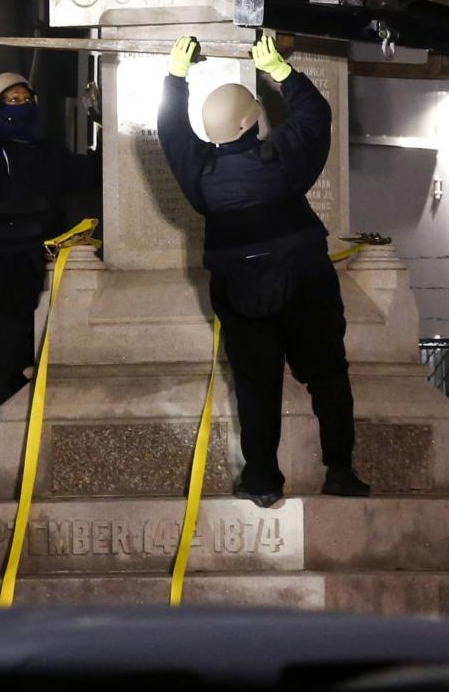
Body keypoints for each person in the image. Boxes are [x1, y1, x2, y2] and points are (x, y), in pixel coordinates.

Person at [157, 33, 369, 507]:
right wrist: (281, 72)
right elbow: (316, 117)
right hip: (305, 284)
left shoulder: (201, 180)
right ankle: (339, 469)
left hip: (241, 292)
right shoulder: (281, 161)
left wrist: (176, 78)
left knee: (256, 386)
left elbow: (172, 134)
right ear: (253, 122)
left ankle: (261, 480)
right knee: (329, 376)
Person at [0, 31, 100, 500]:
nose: (20, 103)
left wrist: (104, 117)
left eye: (25, 97)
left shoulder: (50, 155)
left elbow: (96, 170)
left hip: (50, 285)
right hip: (1, 289)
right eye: (10, 98)